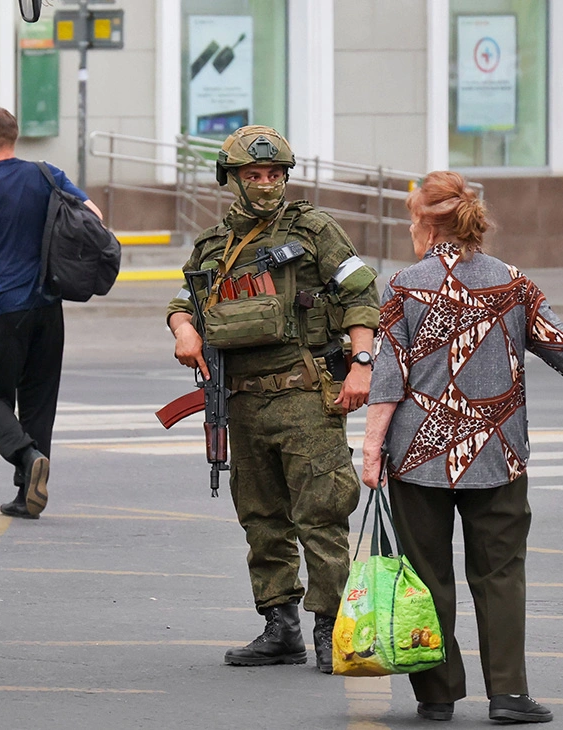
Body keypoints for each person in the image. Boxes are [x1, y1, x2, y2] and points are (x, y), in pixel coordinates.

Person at [362, 171, 563, 724]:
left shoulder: (403, 284)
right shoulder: (512, 282)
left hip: (417, 457)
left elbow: (388, 376)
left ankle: (437, 694)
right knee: (500, 573)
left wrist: (373, 447)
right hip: (498, 452)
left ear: (424, 222)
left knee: (426, 574)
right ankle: (509, 695)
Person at [166, 125, 381, 673]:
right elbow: (183, 298)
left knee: (322, 515)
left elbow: (360, 292)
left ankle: (333, 629)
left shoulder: (314, 230)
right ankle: (280, 625)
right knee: (261, 518)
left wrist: (361, 363)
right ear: (232, 180)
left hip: (305, 395)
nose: (266, 184)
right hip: (242, 401)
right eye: (254, 176)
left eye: (274, 175)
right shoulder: (213, 246)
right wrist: (182, 328)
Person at [0, 107, 103, 519]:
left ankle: (26, 457)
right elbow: (95, 218)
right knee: (38, 402)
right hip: (48, 306)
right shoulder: (47, 173)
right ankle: (26, 495)